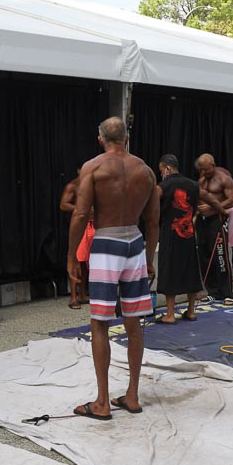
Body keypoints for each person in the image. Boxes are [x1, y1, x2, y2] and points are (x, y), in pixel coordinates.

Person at [67, 116, 159, 420]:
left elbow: (81, 214)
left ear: (100, 139)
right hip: (134, 242)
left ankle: (102, 403)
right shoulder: (145, 170)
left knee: (100, 323)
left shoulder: (93, 167)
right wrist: (149, 258)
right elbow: (153, 221)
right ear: (127, 138)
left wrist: (71, 257)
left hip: (107, 243)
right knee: (134, 323)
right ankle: (132, 396)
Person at [155, 154, 227, 324]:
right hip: (188, 236)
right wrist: (223, 211)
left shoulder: (163, 186)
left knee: (169, 270)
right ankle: (191, 311)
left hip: (170, 236)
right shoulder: (193, 185)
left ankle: (170, 314)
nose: (161, 174)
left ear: (167, 168)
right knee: (191, 270)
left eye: (161, 171)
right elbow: (210, 198)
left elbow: (150, 203)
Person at [196, 153, 233, 305]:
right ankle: (212, 292)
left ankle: (227, 293)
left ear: (213, 165)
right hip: (203, 221)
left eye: (206, 169)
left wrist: (213, 207)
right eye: (201, 169)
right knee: (204, 256)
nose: (204, 172)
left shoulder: (224, 179)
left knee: (220, 256)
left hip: (217, 219)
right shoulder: (201, 180)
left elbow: (232, 200)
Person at [59, 170, 91, 309]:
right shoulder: (72, 186)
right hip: (80, 227)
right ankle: (73, 297)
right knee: (77, 261)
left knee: (86, 264)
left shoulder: (92, 185)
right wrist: (80, 209)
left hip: (93, 226)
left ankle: (82, 294)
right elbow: (63, 204)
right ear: (79, 170)